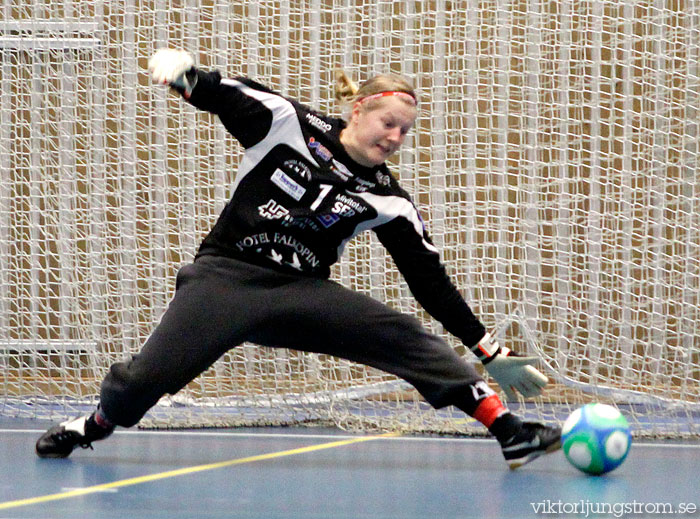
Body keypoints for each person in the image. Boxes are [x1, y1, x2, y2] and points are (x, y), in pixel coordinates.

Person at [36, 49, 561, 469]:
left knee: (404, 336)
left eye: (405, 131)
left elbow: (430, 284)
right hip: (226, 279)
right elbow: (222, 95)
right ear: (359, 109)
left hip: (301, 294)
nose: (395, 137)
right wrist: (185, 74)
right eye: (388, 122)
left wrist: (489, 352)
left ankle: (509, 432)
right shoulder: (287, 123)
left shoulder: (389, 201)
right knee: (143, 381)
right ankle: (94, 425)